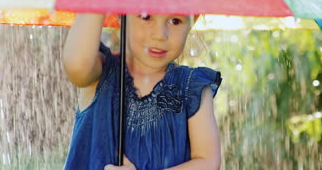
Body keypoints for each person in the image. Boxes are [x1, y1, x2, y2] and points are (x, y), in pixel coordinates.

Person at [62, 14, 222, 170]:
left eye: (175, 21)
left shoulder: (192, 87)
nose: (160, 35)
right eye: (146, 16)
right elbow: (76, 65)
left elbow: (208, 161)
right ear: (121, 15)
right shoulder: (100, 73)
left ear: (191, 21)